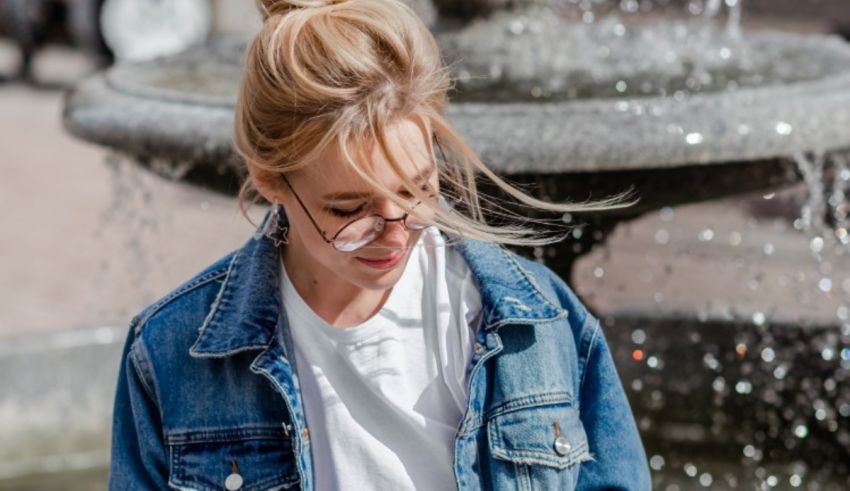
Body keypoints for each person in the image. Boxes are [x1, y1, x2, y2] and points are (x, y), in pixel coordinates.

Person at [108, 0, 651, 489]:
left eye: (417, 190)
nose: (394, 229)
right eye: (348, 210)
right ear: (268, 178)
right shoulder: (169, 353)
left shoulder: (540, 321)